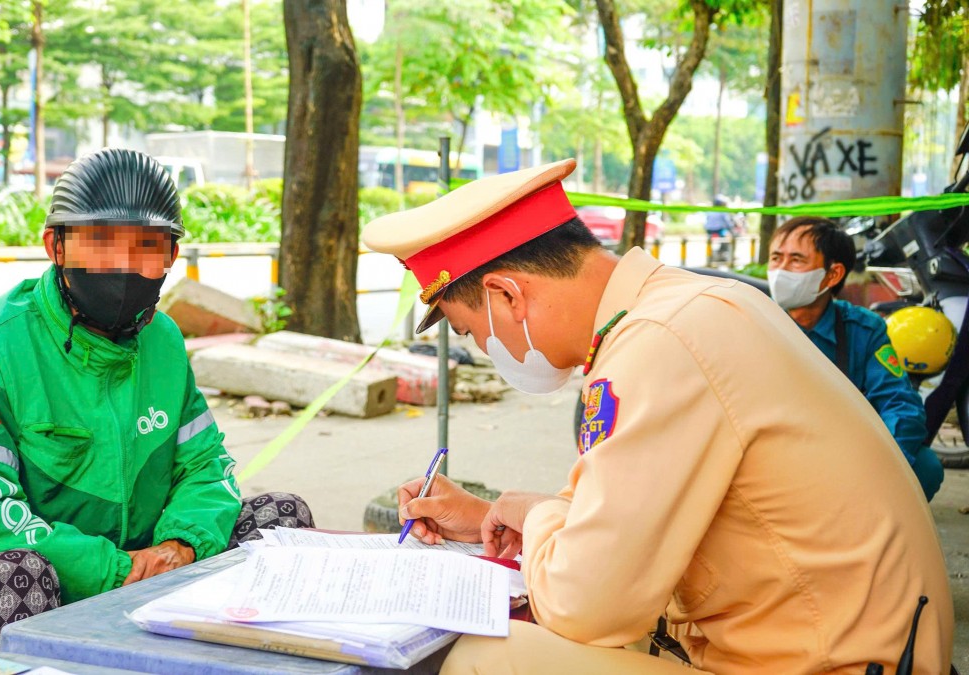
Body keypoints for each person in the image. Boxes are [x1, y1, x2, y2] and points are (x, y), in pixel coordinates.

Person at [362, 159, 952, 674]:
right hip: (846, 649)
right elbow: (620, 511)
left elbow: (586, 603)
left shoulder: (660, 342)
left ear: (508, 295)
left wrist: (537, 517)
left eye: (472, 331)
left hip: (825, 663)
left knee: (487, 658)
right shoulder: (685, 309)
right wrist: (492, 513)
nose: (487, 351)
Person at [0, 149, 313, 672]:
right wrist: (115, 569)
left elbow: (205, 468)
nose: (124, 267)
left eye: (147, 247)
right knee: (16, 575)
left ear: (173, 256)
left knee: (279, 520)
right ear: (54, 247)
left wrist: (179, 546)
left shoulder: (164, 341)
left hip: (140, 572)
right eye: (100, 243)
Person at [768, 216, 944, 501]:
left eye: (796, 260)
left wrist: (879, 468)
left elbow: (899, 402)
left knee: (925, 467)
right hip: (773, 451)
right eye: (776, 258)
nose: (780, 271)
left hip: (841, 449)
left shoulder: (863, 330)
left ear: (833, 274)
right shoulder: (753, 321)